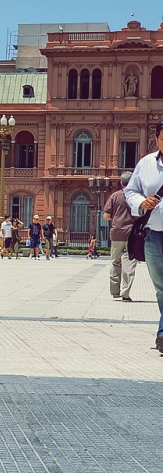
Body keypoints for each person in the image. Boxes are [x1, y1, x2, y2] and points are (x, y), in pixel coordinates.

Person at [125, 124, 163, 351]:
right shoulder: (146, 164)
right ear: (157, 140)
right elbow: (130, 190)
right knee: (160, 288)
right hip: (153, 236)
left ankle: (162, 333)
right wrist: (141, 202)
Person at [103, 171, 136, 302]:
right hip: (132, 235)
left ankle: (115, 291)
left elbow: (106, 215)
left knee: (115, 262)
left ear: (121, 183)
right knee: (129, 264)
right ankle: (125, 293)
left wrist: (116, 218)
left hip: (116, 234)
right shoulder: (137, 197)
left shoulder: (114, 196)